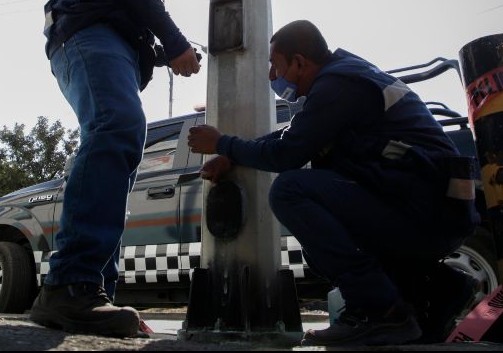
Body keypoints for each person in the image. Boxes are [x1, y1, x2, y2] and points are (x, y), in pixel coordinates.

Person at [187, 20, 481, 346]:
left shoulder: (338, 84)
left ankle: (379, 311)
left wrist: (222, 143)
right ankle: (438, 290)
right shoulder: (344, 79)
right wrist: (234, 156)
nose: (271, 75)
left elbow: (286, 153)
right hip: (422, 207)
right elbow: (293, 136)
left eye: (275, 65)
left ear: (299, 62)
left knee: (289, 189)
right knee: (320, 249)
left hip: (422, 209)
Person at [30, 0, 203, 337]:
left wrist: (171, 53)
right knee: (118, 126)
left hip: (116, 51)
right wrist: (178, 42)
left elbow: (139, 20)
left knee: (123, 147)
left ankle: (95, 292)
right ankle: (70, 284)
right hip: (85, 36)